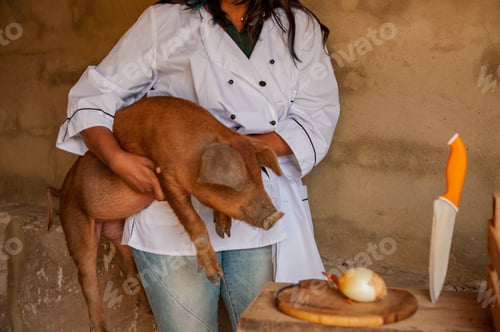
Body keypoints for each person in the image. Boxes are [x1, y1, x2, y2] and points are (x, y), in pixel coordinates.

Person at [56, 0, 340, 331]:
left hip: (256, 206)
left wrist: (239, 153)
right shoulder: (163, 22)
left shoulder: (297, 25)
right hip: (171, 221)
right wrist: (117, 160)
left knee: (263, 327)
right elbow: (95, 95)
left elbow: (316, 113)